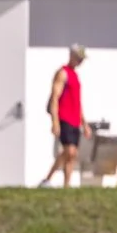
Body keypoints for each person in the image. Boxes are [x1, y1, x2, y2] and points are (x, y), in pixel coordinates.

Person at [38, 45, 88, 188]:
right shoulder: (62, 73)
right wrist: (55, 122)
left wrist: (84, 124)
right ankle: (47, 179)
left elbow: (78, 102)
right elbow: (55, 97)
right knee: (69, 151)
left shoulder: (76, 76)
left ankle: (65, 185)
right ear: (72, 56)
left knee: (71, 155)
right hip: (64, 118)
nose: (80, 61)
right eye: (79, 58)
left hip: (75, 120)